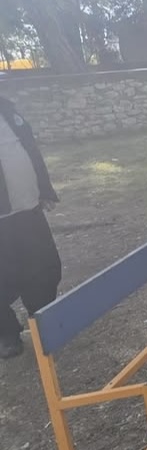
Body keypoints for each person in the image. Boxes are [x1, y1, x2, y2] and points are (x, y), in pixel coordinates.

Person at [0, 97, 62, 359]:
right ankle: (7, 334)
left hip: (29, 210)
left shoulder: (8, 111)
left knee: (43, 269)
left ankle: (44, 323)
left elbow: (30, 150)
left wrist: (44, 189)